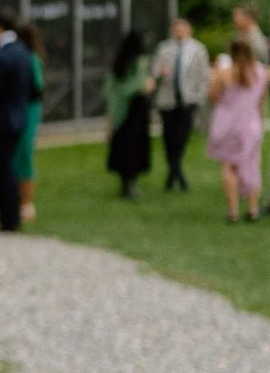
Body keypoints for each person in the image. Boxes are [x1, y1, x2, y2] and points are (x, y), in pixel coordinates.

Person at [0, 7, 33, 232]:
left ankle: (8, 218)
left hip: (1, 120)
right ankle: (10, 215)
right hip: (18, 117)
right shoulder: (23, 51)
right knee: (9, 167)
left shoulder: (2, 56)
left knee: (3, 170)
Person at [207, 38, 268, 222]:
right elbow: (261, 101)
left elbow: (213, 97)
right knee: (252, 165)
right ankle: (252, 208)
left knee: (228, 167)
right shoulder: (261, 72)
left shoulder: (224, 72)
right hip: (250, 123)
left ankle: (232, 210)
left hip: (226, 123)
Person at [152, 15, 210, 189]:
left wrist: (199, 96)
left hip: (188, 100)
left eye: (182, 27)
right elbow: (154, 72)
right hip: (167, 99)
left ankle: (174, 171)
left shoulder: (198, 50)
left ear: (189, 29)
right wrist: (160, 72)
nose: (179, 31)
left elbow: (203, 76)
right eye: (176, 28)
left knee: (182, 136)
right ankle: (176, 172)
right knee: (168, 137)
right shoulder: (163, 49)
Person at [105, 30, 153, 199]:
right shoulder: (139, 61)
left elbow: (113, 88)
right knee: (134, 147)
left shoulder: (120, 61)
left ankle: (125, 183)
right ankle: (131, 185)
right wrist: (146, 84)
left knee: (123, 146)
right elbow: (139, 84)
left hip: (122, 111)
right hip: (136, 109)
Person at [13, 23, 46, 224]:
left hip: (28, 110)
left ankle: (26, 202)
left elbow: (37, 87)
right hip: (21, 109)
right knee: (18, 156)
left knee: (25, 155)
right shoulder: (28, 57)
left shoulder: (32, 59)